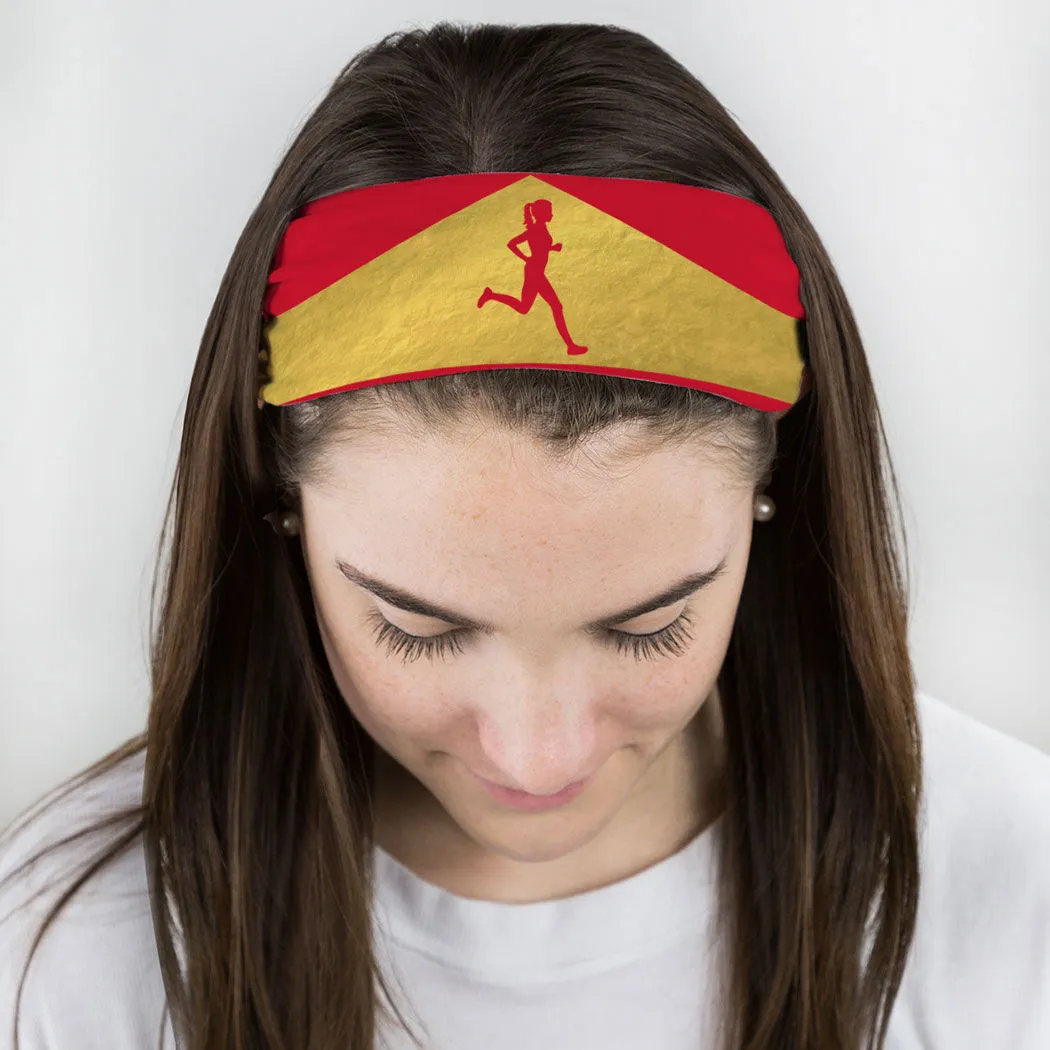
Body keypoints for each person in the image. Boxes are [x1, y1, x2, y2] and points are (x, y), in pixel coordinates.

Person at [2, 19, 1049, 1050]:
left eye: (649, 627)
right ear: (281, 508)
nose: (539, 757)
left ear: (771, 498)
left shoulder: (1015, 886)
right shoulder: (69, 948)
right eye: (417, 629)